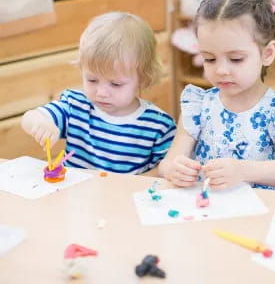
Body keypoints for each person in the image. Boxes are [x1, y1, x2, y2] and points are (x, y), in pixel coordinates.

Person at [159, 0, 275, 191]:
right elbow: (168, 163)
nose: (221, 70)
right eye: (209, 59)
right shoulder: (197, 105)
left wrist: (243, 170)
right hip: (209, 209)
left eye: (236, 59)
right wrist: (174, 169)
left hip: (262, 213)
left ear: (267, 54)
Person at [21, 12, 176, 175]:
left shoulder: (158, 125)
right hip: (76, 196)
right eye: (92, 80)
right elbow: (30, 117)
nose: (101, 93)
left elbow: (165, 169)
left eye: (115, 84)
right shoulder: (75, 106)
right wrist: (41, 123)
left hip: (122, 199)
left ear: (143, 79)